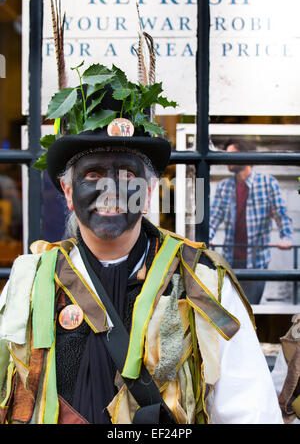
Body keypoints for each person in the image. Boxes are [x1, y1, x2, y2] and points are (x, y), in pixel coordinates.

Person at [0, 64, 283, 425]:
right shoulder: (28, 283)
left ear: (148, 193)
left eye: (127, 174)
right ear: (69, 193)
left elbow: (251, 412)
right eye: (92, 174)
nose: (110, 189)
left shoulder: (203, 284)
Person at [210, 138, 293, 304]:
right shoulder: (224, 186)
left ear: (245, 156)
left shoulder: (267, 183)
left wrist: (286, 237)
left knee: (251, 310)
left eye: (232, 155)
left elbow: (281, 214)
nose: (228, 159)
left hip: (257, 262)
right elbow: (214, 217)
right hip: (230, 262)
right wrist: (207, 237)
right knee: (229, 311)